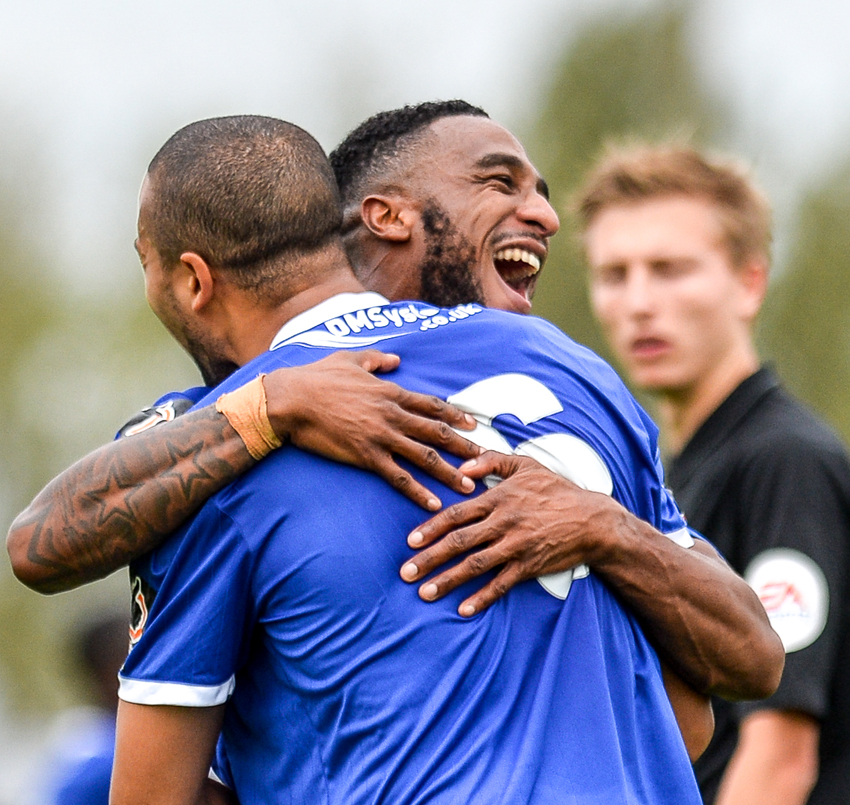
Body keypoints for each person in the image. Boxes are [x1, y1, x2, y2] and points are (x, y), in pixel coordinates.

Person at [6, 103, 781, 705]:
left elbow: (744, 665)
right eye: (499, 181)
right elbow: (40, 544)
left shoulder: (573, 381)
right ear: (385, 215)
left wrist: (603, 528)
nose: (545, 214)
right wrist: (267, 408)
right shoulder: (231, 421)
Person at [111, 113, 710, 805]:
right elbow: (688, 724)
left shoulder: (209, 455)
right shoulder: (574, 368)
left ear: (192, 279)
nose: (542, 213)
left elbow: (153, 793)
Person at [580, 143, 850, 805]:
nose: (640, 301)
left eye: (670, 269)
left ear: (749, 283)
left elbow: (781, 756)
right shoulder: (663, 473)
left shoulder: (785, 461)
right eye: (615, 273)